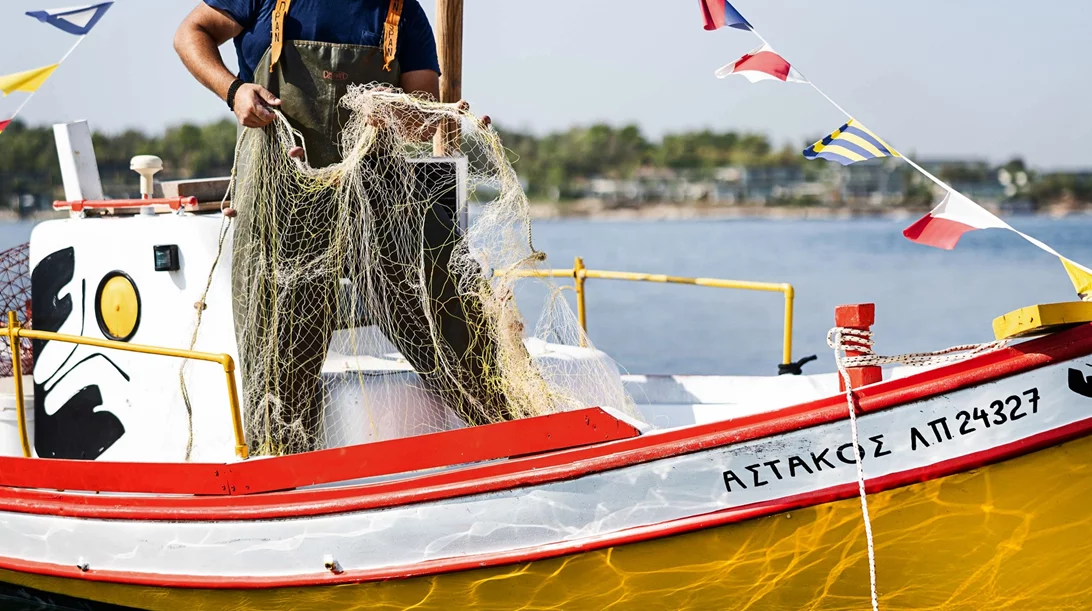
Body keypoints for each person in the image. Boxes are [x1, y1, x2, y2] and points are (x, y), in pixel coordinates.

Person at [174, 0, 513, 454]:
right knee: (281, 335)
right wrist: (234, 90)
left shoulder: (400, 10)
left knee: (442, 301)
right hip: (284, 191)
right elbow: (190, 33)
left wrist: (401, 115)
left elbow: (420, 106)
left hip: (378, 187)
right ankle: (281, 465)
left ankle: (512, 428)